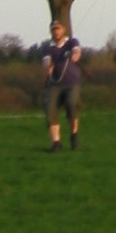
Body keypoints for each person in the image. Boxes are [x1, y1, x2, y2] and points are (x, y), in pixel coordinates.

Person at [39, 19, 82, 151]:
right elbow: (46, 60)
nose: (56, 32)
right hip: (54, 84)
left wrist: (74, 55)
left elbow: (77, 51)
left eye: (58, 29)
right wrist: (49, 66)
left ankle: (74, 134)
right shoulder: (47, 47)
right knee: (50, 109)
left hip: (71, 83)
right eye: (54, 29)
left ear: (63, 30)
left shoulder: (71, 42)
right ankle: (56, 142)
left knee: (71, 105)